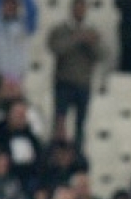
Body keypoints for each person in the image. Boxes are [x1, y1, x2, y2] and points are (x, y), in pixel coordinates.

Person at [47, 0, 103, 150]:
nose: (80, 11)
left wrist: (91, 43)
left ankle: (78, 152)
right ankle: (55, 151)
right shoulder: (60, 30)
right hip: (64, 82)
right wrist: (76, 39)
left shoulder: (92, 31)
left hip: (83, 83)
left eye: (82, 8)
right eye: (78, 7)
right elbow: (56, 48)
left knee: (81, 123)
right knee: (59, 121)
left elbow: (101, 55)